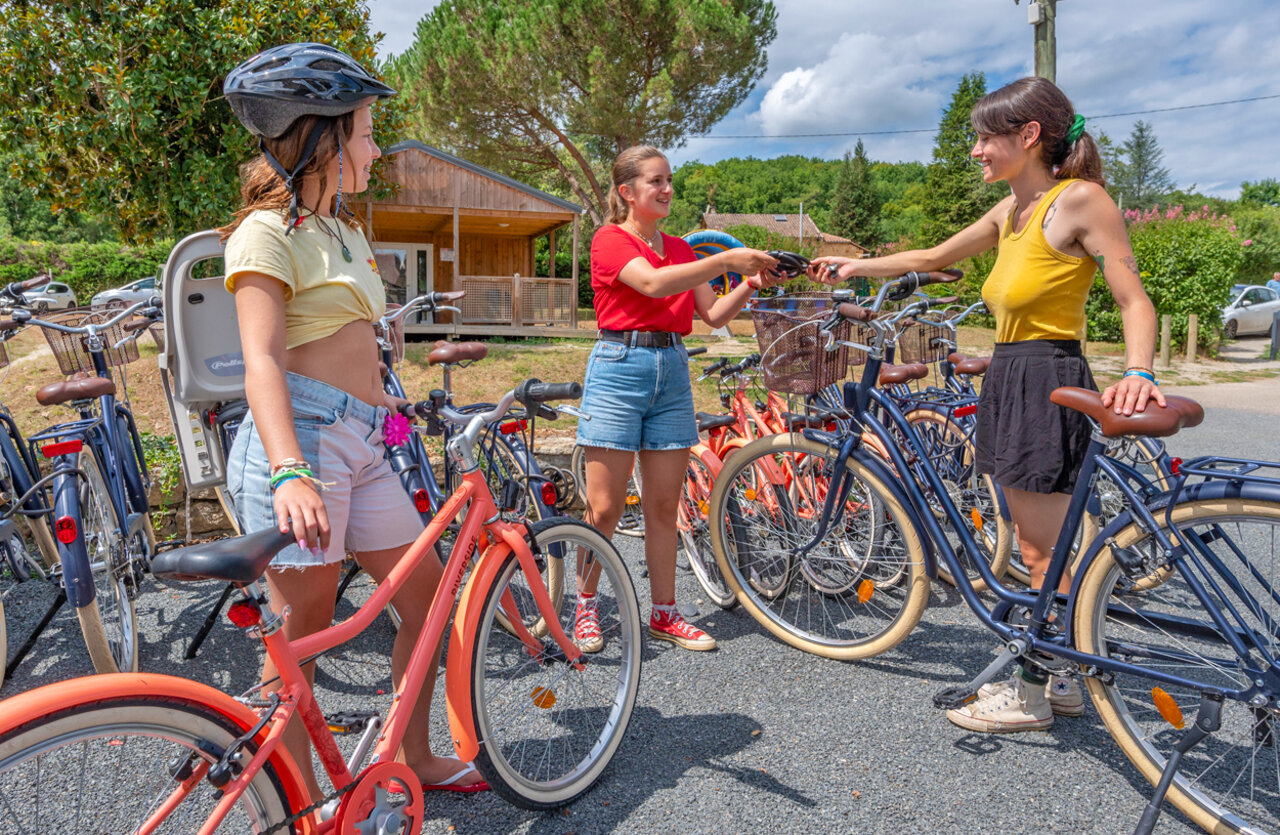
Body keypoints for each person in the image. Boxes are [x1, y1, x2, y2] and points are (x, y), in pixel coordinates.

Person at [811, 77, 1164, 732]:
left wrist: (1139, 370)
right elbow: (935, 254)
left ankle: (1035, 691)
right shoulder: (1011, 212)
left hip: (1047, 374)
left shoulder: (1079, 200)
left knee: (1041, 550)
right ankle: (1063, 675)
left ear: (1029, 135)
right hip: (1008, 373)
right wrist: (855, 267)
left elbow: (1133, 298)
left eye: (983, 138)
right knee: (1041, 545)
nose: (975, 150)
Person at [218, 43, 486, 795]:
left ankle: (414, 754)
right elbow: (262, 361)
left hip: (363, 437)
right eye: (366, 133)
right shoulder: (265, 233)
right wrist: (288, 470)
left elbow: (349, 339)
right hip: (302, 442)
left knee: (427, 595)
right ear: (325, 140)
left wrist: (382, 400)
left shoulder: (344, 231)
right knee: (299, 636)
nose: (374, 150)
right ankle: (299, 806)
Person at [575, 145, 781, 652]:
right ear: (627, 192)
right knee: (604, 507)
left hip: (671, 368)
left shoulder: (682, 250)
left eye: (669, 180)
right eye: (656, 181)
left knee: (665, 505)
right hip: (620, 368)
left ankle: (664, 613)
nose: (667, 189)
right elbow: (650, 283)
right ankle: (584, 605)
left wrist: (751, 283)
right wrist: (725, 259)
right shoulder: (609, 239)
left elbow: (713, 316)